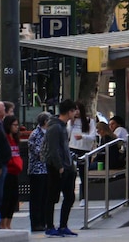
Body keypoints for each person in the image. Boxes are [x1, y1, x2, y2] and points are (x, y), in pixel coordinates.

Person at [44, 99, 78, 238]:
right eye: (74, 111)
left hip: (66, 166)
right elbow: (53, 149)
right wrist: (60, 167)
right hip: (57, 167)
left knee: (69, 196)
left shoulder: (63, 126)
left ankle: (63, 225)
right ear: (69, 111)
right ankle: (50, 226)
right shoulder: (56, 127)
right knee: (52, 196)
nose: (76, 113)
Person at [68, 101, 96, 207]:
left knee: (84, 174)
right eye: (74, 110)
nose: (76, 112)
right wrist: (71, 123)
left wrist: (83, 136)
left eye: (78, 109)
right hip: (72, 148)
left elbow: (93, 136)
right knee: (71, 174)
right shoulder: (71, 122)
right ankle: (70, 196)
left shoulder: (89, 121)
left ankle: (84, 197)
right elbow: (67, 134)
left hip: (84, 150)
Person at [28, 112, 52, 233]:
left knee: (45, 197)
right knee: (37, 198)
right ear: (45, 121)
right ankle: (36, 222)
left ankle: (44, 221)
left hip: (46, 169)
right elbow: (38, 152)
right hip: (37, 170)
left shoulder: (48, 133)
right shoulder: (36, 134)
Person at [0, 115, 23, 229]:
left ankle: (8, 223)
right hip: (7, 172)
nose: (16, 127)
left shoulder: (15, 139)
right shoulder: (5, 139)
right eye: (14, 125)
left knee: (14, 198)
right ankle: (3, 223)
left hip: (15, 172)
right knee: (6, 198)